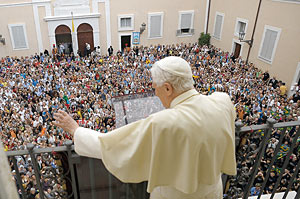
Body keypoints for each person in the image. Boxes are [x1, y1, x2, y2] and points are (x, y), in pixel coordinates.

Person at [53, 56, 236, 199]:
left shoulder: (163, 122)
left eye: (155, 87)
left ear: (167, 88)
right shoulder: (223, 101)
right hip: (214, 192)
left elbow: (113, 145)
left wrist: (77, 130)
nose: (154, 92)